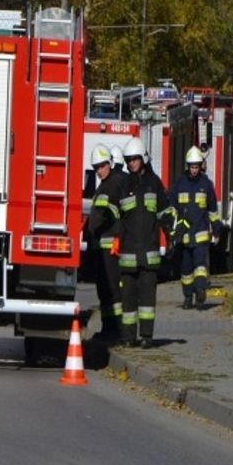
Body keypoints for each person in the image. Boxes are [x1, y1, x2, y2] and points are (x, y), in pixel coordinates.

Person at [117, 137, 172, 348]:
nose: (131, 163)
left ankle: (147, 337)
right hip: (129, 253)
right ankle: (128, 337)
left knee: (148, 300)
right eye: (128, 160)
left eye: (135, 159)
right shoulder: (124, 185)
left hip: (149, 253)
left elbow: (165, 211)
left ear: (143, 159)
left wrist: (172, 236)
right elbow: (117, 218)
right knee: (128, 301)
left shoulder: (154, 183)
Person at [85, 144, 127, 342]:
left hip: (110, 247)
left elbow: (102, 217)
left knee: (111, 290)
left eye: (101, 166)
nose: (99, 171)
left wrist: (91, 230)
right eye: (96, 168)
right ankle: (110, 328)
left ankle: (114, 330)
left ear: (109, 164)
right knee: (106, 289)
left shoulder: (111, 185)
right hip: (105, 246)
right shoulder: (109, 183)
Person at [170, 146, 221, 309]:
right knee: (185, 271)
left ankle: (200, 291)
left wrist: (217, 230)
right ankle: (187, 298)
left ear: (201, 166)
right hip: (184, 237)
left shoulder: (206, 184)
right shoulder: (179, 184)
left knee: (200, 266)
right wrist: (172, 230)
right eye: (192, 167)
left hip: (200, 235)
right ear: (187, 166)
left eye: (196, 167)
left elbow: (212, 210)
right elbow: (172, 208)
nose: (194, 170)